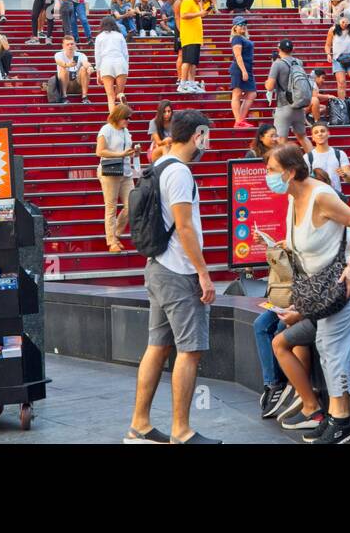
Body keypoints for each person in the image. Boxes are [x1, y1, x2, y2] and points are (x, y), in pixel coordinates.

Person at [266, 145, 350, 443]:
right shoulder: (294, 198)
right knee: (323, 340)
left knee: (330, 342)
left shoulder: (321, 196)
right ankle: (335, 415)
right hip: (326, 283)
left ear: (290, 173)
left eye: (271, 171)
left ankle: (343, 420)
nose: (268, 177)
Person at [127, 109, 219, 444]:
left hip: (158, 266)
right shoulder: (179, 172)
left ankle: (140, 426)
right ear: (198, 135)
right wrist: (203, 274)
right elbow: (184, 226)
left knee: (158, 346)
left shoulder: (160, 163)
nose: (208, 142)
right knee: (189, 351)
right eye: (206, 135)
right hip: (178, 269)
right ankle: (181, 430)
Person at [96, 103, 140, 253]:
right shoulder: (106, 130)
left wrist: (133, 153)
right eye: (127, 118)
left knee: (132, 205)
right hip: (110, 172)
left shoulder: (125, 131)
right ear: (119, 117)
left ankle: (116, 234)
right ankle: (111, 241)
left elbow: (125, 150)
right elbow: (99, 151)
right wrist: (120, 155)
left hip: (126, 172)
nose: (129, 121)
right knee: (111, 206)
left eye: (129, 119)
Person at [266, 38, 313, 152]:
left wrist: (266, 83)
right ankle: (316, 162)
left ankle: (282, 167)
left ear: (279, 49)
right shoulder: (298, 62)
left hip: (284, 106)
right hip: (298, 105)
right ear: (293, 49)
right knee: (302, 137)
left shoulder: (277, 64)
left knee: (281, 140)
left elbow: (270, 86)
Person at [306, 124, 350, 199]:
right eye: (316, 132)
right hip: (317, 198)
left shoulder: (339, 154)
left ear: (328, 134)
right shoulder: (307, 157)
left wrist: (344, 175)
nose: (320, 134)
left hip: (336, 197)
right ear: (313, 138)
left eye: (322, 131)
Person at [94, 16, 129, 114]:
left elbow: (98, 56)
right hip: (120, 62)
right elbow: (125, 53)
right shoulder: (119, 35)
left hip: (106, 63)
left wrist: (98, 72)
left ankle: (114, 120)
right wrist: (126, 68)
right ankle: (121, 96)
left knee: (110, 96)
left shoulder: (99, 37)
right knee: (119, 92)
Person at [325, 12, 350, 102]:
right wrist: (328, 54)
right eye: (342, 22)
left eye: (347, 23)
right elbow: (327, 45)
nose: (344, 24)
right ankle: (343, 105)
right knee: (341, 83)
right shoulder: (332, 30)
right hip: (337, 59)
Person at [228, 17, 258, 128]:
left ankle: (240, 120)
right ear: (235, 27)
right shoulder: (236, 38)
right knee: (237, 94)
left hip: (247, 68)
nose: (243, 26)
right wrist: (243, 71)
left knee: (252, 93)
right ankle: (239, 120)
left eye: (244, 24)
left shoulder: (242, 38)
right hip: (240, 68)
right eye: (240, 24)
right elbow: (238, 56)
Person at [177, 0, 207, 94]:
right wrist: (199, 13)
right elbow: (183, 15)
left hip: (195, 38)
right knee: (187, 61)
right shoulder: (187, 1)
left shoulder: (194, 3)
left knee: (193, 62)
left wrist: (201, 10)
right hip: (189, 37)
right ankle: (183, 84)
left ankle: (191, 83)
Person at [53, 35, 93, 104]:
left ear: (75, 44)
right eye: (67, 44)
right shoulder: (58, 54)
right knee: (63, 68)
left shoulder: (81, 55)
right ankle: (64, 97)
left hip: (77, 83)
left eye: (72, 44)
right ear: (63, 46)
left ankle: (84, 97)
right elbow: (60, 63)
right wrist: (68, 65)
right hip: (65, 84)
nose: (70, 46)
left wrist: (89, 67)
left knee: (84, 68)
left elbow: (85, 63)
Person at [148, 100, 175, 165]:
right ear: (160, 112)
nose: (167, 114)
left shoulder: (175, 121)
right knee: (165, 148)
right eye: (164, 112)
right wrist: (166, 141)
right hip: (157, 150)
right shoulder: (154, 122)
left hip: (172, 149)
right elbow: (159, 142)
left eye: (169, 111)